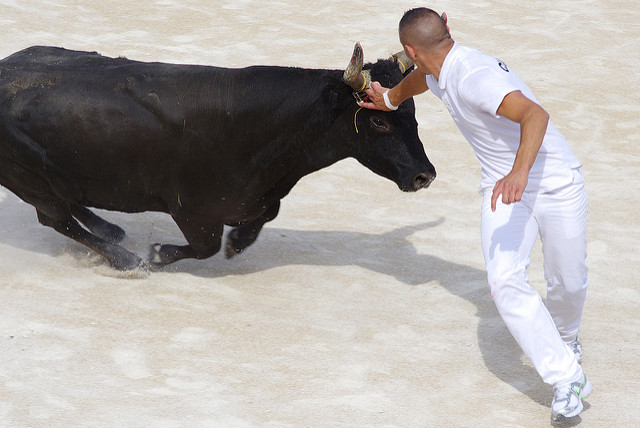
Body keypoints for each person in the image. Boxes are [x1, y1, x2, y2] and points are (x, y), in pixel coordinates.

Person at [359, 7, 591, 421]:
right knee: (504, 280)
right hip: (503, 189)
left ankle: (566, 339)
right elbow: (424, 79)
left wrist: (519, 172)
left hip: (555, 182)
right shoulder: (438, 67)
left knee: (567, 282)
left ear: (409, 49)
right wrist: (390, 98)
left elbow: (535, 115)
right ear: (446, 30)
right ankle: (565, 377)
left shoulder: (474, 78)